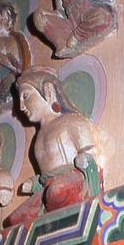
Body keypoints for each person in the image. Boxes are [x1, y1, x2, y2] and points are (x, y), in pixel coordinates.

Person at [6, 67, 100, 228]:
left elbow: (91, 153)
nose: (21, 106)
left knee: (56, 192)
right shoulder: (38, 138)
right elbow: (46, 175)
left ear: (48, 91)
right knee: (16, 220)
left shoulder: (72, 121)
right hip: (49, 186)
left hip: (74, 178)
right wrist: (35, 183)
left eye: (26, 96)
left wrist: (87, 160)